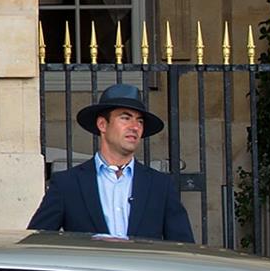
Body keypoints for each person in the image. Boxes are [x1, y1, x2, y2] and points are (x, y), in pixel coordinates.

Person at [29, 82, 196, 243]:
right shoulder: (67, 183)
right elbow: (36, 243)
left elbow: (182, 247)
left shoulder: (161, 185)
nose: (134, 127)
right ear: (102, 124)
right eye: (125, 118)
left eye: (140, 121)